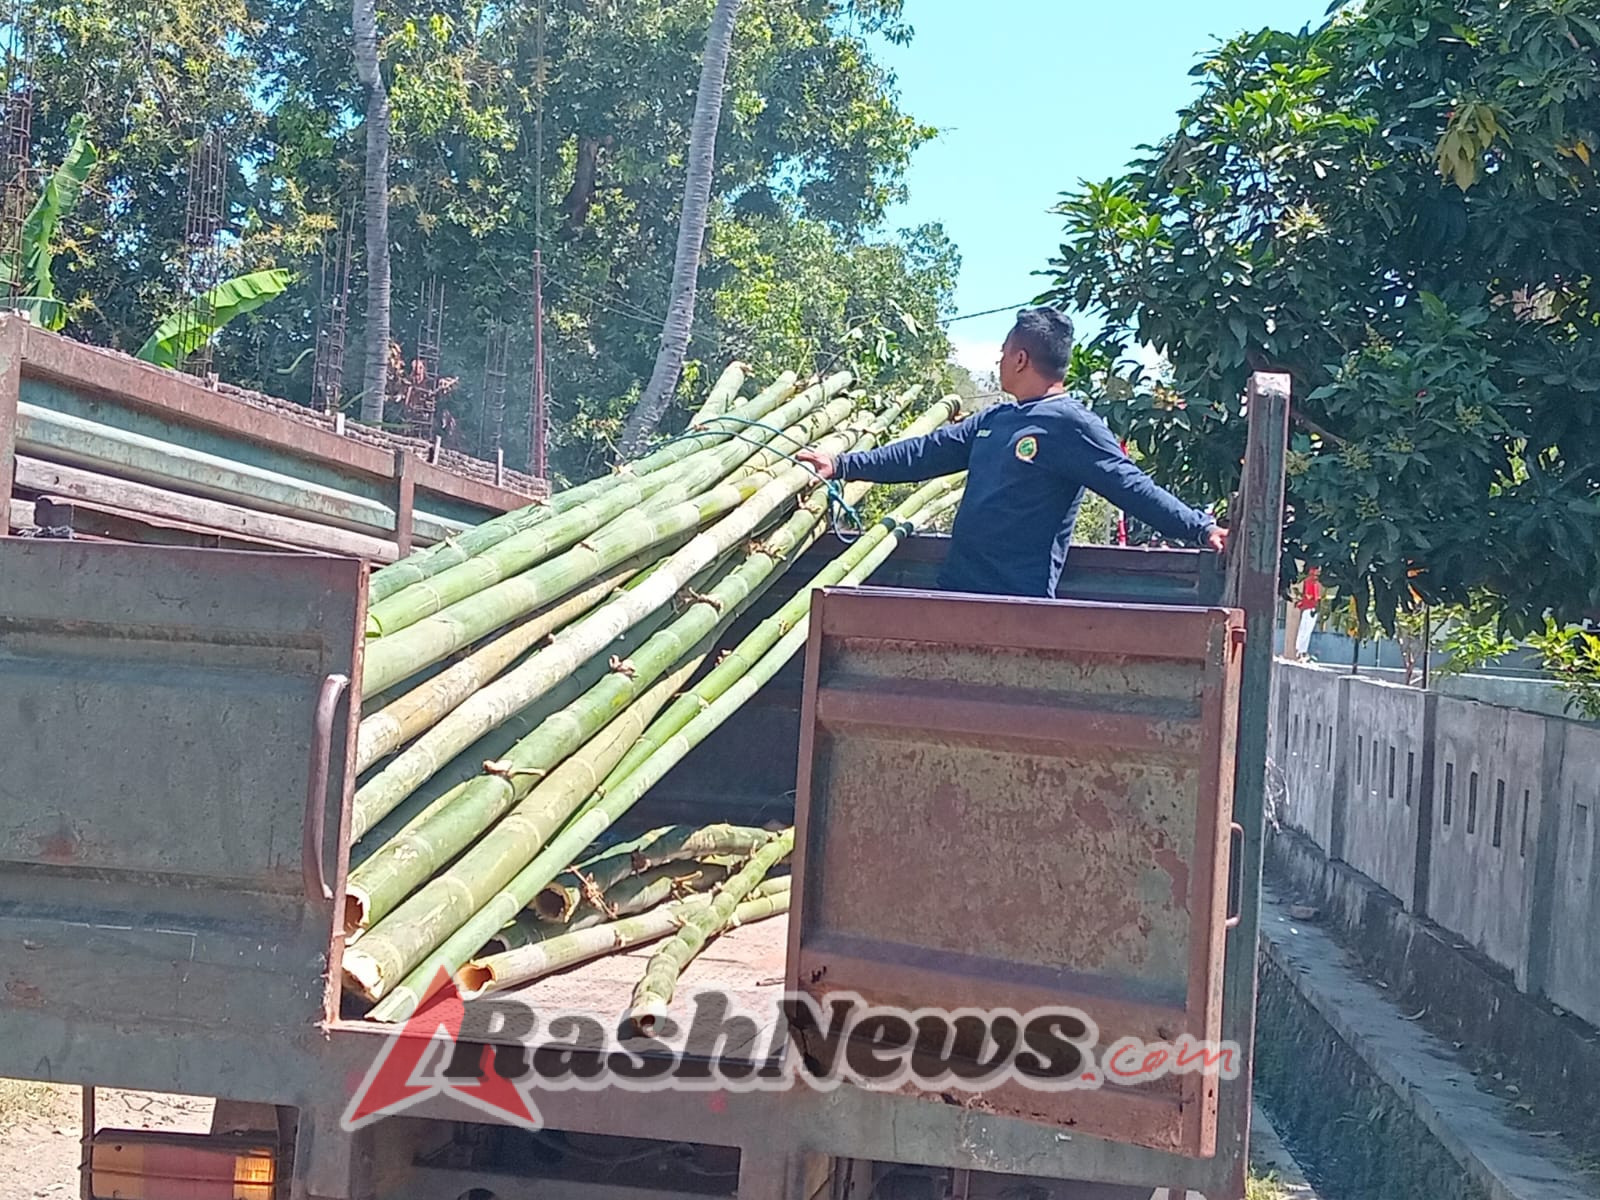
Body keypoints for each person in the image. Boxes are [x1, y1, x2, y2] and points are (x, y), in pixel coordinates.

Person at [796, 307, 1228, 598]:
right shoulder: (995, 421)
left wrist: (1198, 527)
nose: (999, 361)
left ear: (1021, 358)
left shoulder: (1072, 426)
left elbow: (1131, 487)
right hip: (955, 593)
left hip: (1016, 606)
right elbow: (924, 454)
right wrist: (841, 465)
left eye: (1003, 353)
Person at [1293, 567, 1322, 659]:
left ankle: (1301, 651)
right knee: (1306, 630)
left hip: (1310, 608)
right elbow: (1310, 596)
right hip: (1311, 609)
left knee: (1305, 630)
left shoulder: (1312, 581)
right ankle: (1301, 652)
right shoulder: (1311, 581)